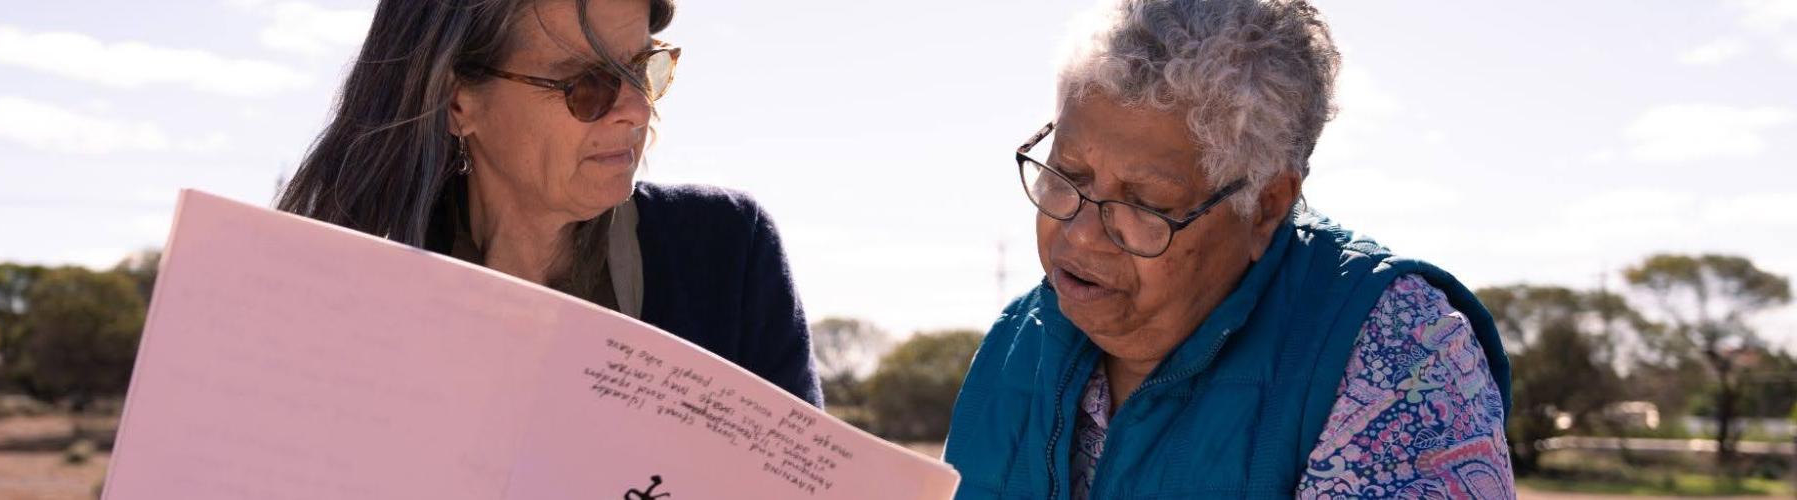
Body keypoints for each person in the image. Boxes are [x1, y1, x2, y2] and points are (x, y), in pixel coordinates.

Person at [941, 0, 1515, 497]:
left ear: (1265, 206)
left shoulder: (1400, 350)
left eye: (1144, 203)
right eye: (1068, 174)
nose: (1082, 233)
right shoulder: (1018, 340)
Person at [275, 0, 821, 406]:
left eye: (643, 69)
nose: (636, 109)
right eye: (587, 84)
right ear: (457, 101)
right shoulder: (351, 301)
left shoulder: (727, 254)